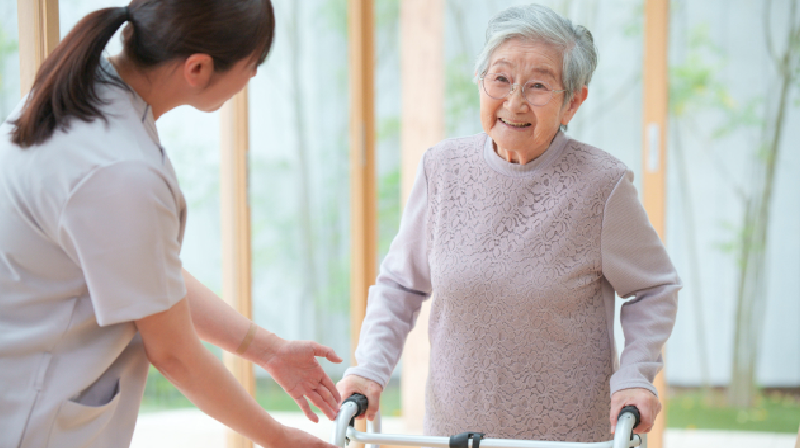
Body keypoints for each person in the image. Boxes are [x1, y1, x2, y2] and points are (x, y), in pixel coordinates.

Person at [0, 1, 342, 447]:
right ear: (197, 67)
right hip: (33, 421)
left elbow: (143, 277)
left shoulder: (79, 98)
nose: (254, 77)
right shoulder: (119, 171)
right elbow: (175, 353)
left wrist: (268, 350)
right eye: (253, 63)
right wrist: (276, 437)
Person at [337, 3, 681, 443]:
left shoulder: (601, 185)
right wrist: (370, 367)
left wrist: (636, 373)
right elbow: (400, 284)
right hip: (454, 432)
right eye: (500, 79)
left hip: (564, 437)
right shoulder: (442, 169)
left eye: (538, 85)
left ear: (573, 102)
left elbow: (654, 287)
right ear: (481, 83)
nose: (514, 102)